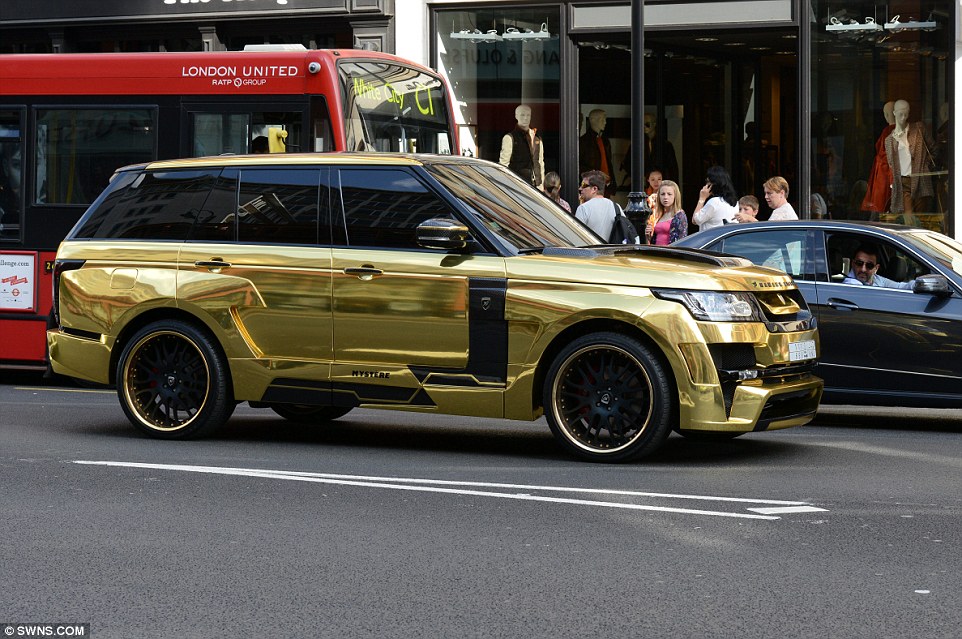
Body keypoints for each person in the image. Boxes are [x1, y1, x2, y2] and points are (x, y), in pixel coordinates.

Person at [884, 99, 936, 220]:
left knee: (922, 218)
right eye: (900, 114)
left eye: (906, 114)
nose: (903, 117)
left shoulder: (918, 129)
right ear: (894, 113)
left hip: (921, 180)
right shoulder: (889, 140)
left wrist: (925, 164)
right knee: (909, 219)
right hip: (903, 183)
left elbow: (934, 149)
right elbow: (891, 163)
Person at [860, 101, 896, 215]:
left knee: (882, 203)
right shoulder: (896, 131)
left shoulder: (888, 132)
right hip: (886, 173)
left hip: (885, 174)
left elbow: (888, 155)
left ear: (887, 115)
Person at [499, 104, 545, 189]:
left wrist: (541, 185)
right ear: (516, 116)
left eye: (528, 115)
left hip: (536, 186)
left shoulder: (537, 138)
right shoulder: (509, 138)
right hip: (517, 185)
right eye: (522, 115)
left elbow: (540, 162)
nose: (525, 118)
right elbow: (503, 165)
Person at [842, 243, 914, 290]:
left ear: (876, 268)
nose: (863, 269)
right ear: (853, 263)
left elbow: (902, 287)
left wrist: (919, 283)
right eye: (859, 263)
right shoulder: (850, 285)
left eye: (869, 265)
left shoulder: (877, 279)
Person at [578, 109, 615, 196]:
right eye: (602, 119)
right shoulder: (584, 142)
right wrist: (594, 173)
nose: (605, 122)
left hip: (606, 186)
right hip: (591, 186)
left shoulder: (605, 141)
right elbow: (577, 165)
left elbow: (608, 163)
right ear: (593, 120)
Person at [692, 165, 737, 231]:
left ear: (714, 184)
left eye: (708, 182)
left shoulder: (714, 202)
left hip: (712, 237)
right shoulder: (735, 202)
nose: (706, 185)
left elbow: (695, 220)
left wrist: (702, 199)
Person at [574, 170, 616, 239]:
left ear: (594, 189)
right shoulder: (616, 207)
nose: (580, 188)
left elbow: (576, 236)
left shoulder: (583, 208)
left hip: (589, 246)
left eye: (583, 185)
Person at [645, 179, 687, 245]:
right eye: (662, 194)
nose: (665, 197)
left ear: (675, 196)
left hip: (668, 251)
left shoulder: (679, 215)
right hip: (656, 250)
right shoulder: (661, 214)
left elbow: (680, 242)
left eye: (669, 194)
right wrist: (649, 237)